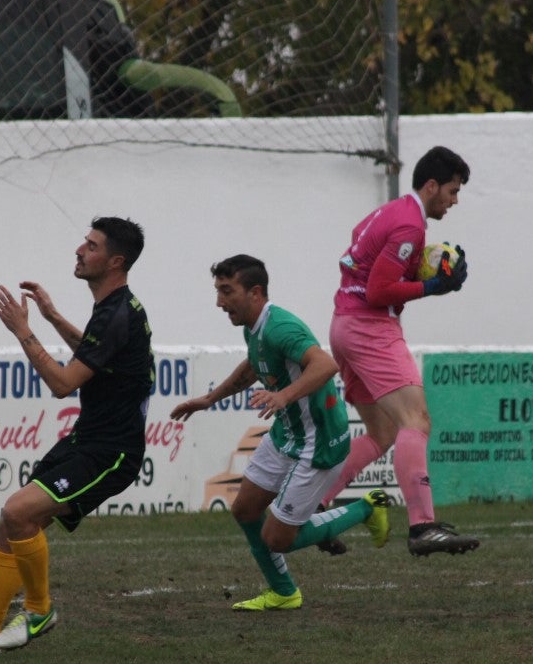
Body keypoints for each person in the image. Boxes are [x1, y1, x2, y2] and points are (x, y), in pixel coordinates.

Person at [0, 216, 154, 657]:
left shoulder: (116, 314)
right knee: (12, 525)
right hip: (87, 439)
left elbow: (64, 384)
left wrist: (23, 330)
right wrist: (51, 316)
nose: (79, 250)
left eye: (91, 246)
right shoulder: (114, 310)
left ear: (115, 261)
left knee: (17, 510)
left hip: (112, 452)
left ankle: (39, 611)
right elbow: (94, 354)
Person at [169, 254, 390, 611]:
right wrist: (209, 399)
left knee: (276, 538)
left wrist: (282, 395)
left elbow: (325, 364)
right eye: (218, 291)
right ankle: (284, 593)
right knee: (245, 511)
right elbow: (254, 366)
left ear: (255, 292)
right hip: (287, 434)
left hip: (317, 441)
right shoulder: (254, 328)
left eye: (227, 291)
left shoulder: (280, 327)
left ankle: (367, 507)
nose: (219, 302)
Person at [320, 145, 480, 558]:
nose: (455, 200)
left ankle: (313, 510)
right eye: (452, 191)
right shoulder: (411, 225)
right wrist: (431, 285)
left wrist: (416, 269)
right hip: (370, 327)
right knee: (417, 420)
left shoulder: (390, 212)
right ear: (431, 186)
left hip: (344, 325)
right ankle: (423, 526)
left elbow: (360, 249)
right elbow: (378, 291)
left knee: (383, 433)